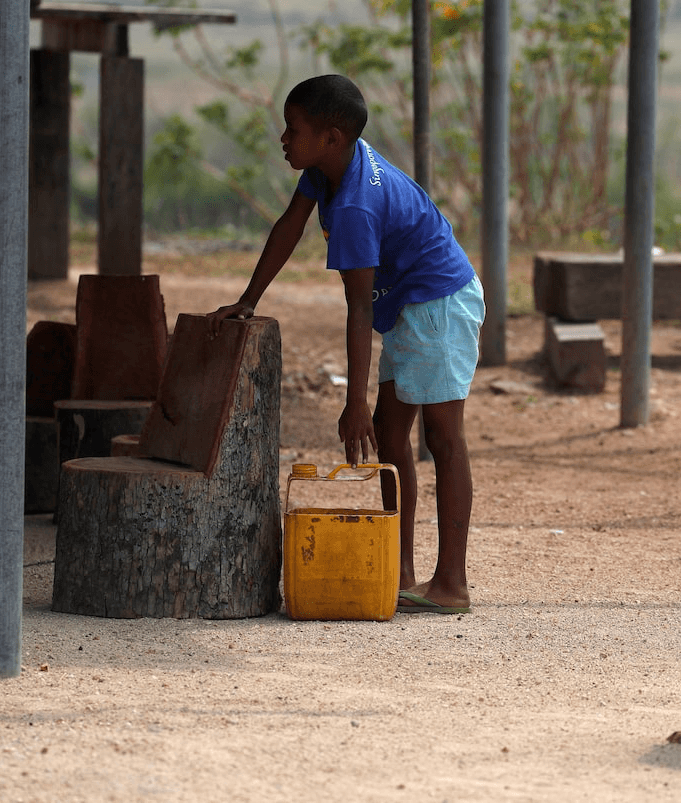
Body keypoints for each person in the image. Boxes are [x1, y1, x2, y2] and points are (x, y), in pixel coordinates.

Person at [207, 74, 484, 615]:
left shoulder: (356, 207)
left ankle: (451, 582)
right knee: (390, 432)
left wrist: (353, 401)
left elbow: (358, 308)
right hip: (411, 306)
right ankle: (399, 567)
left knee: (444, 436)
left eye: (293, 130)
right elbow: (290, 225)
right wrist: (249, 298)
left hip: (438, 304)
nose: (283, 140)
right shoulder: (328, 167)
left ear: (331, 138)